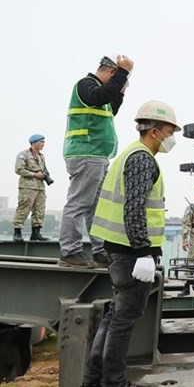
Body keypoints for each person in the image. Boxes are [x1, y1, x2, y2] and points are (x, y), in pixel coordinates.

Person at [81, 100, 180, 387]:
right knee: (123, 320)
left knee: (115, 316)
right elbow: (134, 208)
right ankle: (114, 382)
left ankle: (94, 379)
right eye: (170, 130)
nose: (171, 137)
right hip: (130, 253)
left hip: (119, 249)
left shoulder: (130, 155)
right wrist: (144, 252)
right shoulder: (141, 159)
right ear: (154, 131)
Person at [58, 55, 134, 268]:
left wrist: (121, 89)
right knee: (80, 203)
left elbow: (111, 108)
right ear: (111, 72)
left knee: (97, 207)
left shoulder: (102, 93)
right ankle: (70, 252)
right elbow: (98, 97)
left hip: (97, 156)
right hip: (86, 153)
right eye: (116, 77)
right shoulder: (86, 85)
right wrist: (123, 73)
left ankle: (100, 251)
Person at [13, 134, 50, 242]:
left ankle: (36, 233)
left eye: (44, 142)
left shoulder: (41, 156)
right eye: (41, 142)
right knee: (23, 208)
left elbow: (43, 169)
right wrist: (34, 174)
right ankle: (17, 232)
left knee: (39, 210)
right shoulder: (23, 154)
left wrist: (45, 175)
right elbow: (18, 169)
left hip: (40, 187)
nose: (43, 144)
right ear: (34, 142)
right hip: (27, 186)